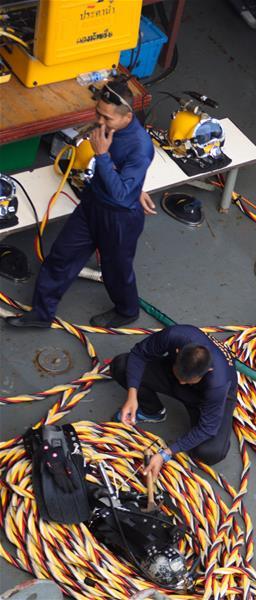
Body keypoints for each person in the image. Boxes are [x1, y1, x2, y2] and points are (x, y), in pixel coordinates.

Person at [6, 80, 155, 330]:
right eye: (98, 113)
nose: (100, 121)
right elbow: (123, 179)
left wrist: (102, 155)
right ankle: (42, 314)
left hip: (119, 219)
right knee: (60, 257)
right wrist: (135, 186)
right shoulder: (108, 130)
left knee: (116, 270)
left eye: (107, 118)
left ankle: (127, 310)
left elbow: (120, 195)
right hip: (92, 206)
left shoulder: (140, 147)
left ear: (127, 116)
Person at [110, 324, 239, 478]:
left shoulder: (217, 383)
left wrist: (166, 453)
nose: (183, 383)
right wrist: (132, 395)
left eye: (188, 381)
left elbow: (207, 428)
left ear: (207, 371)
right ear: (178, 352)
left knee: (210, 452)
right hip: (171, 375)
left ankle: (196, 400)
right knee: (121, 365)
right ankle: (152, 411)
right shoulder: (174, 336)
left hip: (202, 398)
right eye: (181, 377)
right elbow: (139, 354)